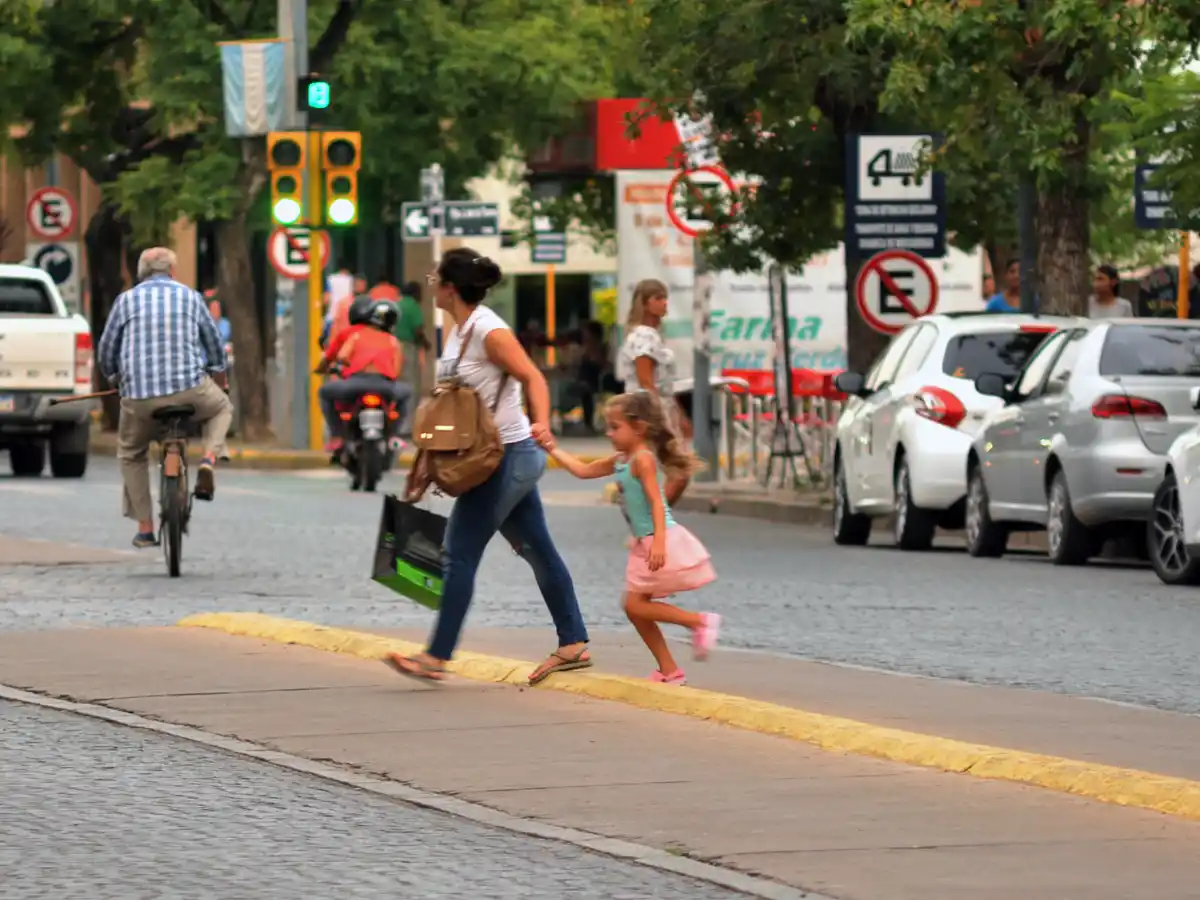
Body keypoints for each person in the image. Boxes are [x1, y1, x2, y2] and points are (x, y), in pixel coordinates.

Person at [382, 247, 591, 685]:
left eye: (435, 278)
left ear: (450, 288)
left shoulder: (489, 330)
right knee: (537, 548)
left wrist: (541, 423)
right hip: (492, 457)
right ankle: (573, 641)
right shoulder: (459, 330)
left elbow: (533, 377)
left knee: (459, 551)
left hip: (508, 456)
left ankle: (436, 656)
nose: (431, 284)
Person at [546, 391, 719, 684]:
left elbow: (657, 502)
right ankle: (669, 670)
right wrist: (552, 449)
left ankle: (699, 622)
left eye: (615, 427)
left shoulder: (643, 460)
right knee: (636, 610)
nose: (609, 433)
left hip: (658, 539)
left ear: (638, 427)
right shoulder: (621, 460)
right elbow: (583, 470)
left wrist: (659, 543)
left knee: (635, 605)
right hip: (645, 542)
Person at [97, 247, 233, 548]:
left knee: (131, 452)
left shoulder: (125, 301)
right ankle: (209, 458)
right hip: (190, 389)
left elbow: (106, 352)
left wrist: (116, 378)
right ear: (172, 271)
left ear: (141, 273)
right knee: (222, 407)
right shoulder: (191, 297)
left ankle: (145, 527)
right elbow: (214, 345)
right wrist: (218, 378)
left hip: (140, 398)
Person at [617, 278, 691, 503]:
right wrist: (661, 421)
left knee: (664, 472)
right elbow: (646, 382)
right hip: (648, 411)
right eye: (658, 298)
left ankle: (652, 517)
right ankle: (655, 518)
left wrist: (678, 413)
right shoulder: (644, 336)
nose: (664, 303)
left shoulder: (651, 335)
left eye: (665, 298)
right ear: (645, 303)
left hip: (655, 408)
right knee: (679, 471)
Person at [315, 299, 412, 452]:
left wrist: (348, 367)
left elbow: (341, 357)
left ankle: (337, 436)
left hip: (355, 384)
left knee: (325, 392)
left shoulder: (356, 335)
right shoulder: (393, 341)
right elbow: (395, 372)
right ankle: (394, 435)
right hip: (384, 386)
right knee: (406, 393)